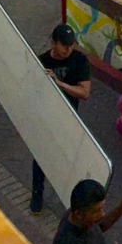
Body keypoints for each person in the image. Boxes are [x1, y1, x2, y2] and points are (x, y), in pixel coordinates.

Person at [33, 24, 93, 213]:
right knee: (40, 156)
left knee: (68, 159)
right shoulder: (41, 61)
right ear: (53, 43)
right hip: (47, 116)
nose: (68, 49)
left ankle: (72, 200)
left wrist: (59, 84)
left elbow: (84, 92)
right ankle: (37, 194)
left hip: (69, 118)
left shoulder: (79, 60)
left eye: (71, 44)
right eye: (64, 45)